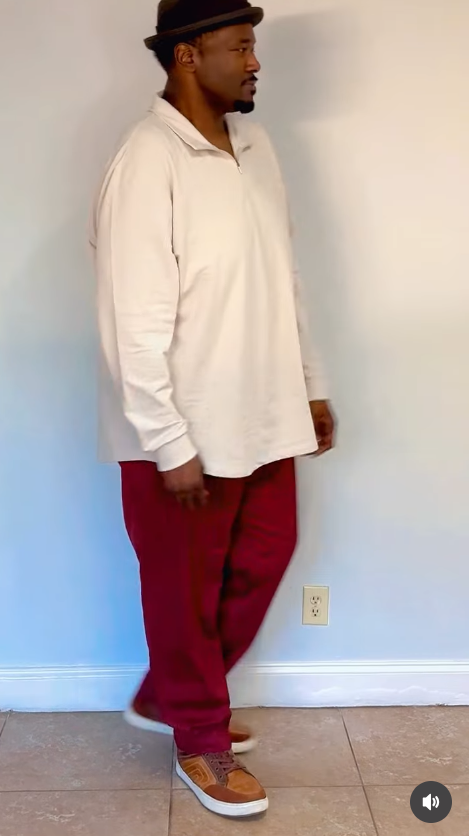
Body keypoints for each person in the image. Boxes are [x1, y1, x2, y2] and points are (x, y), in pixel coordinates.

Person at [91, 0, 335, 819]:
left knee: (266, 554)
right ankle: (199, 736)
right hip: (182, 425)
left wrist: (307, 383)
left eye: (254, 46)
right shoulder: (147, 160)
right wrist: (166, 441)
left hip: (261, 409)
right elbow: (133, 319)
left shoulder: (255, 148)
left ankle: (169, 695)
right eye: (241, 46)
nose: (255, 62)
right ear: (188, 56)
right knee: (182, 588)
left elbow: (283, 276)